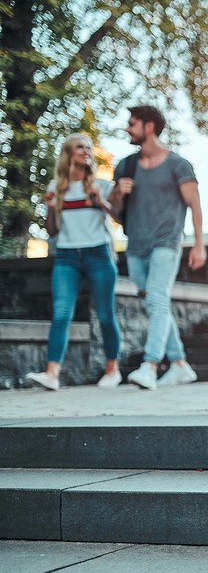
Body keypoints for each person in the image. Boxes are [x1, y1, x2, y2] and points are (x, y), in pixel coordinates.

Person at [108, 105, 206, 389]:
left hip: (166, 242)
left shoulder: (178, 165)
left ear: (149, 127)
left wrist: (199, 244)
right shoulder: (125, 166)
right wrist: (117, 193)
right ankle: (179, 364)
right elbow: (115, 213)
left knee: (158, 300)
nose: (128, 128)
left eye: (132, 123)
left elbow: (195, 206)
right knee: (155, 304)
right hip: (136, 246)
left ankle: (149, 366)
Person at [25, 134, 122, 391]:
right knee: (61, 314)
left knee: (104, 314)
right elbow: (53, 231)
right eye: (80, 147)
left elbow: (119, 218)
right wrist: (49, 208)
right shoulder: (56, 186)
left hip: (98, 254)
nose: (86, 151)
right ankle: (52, 374)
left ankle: (113, 369)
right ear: (69, 152)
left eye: (88, 147)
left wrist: (101, 201)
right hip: (67, 256)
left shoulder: (100, 185)